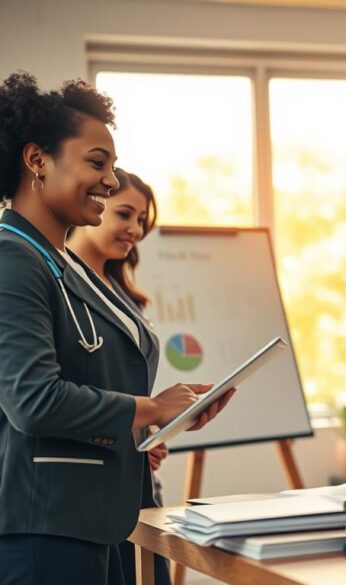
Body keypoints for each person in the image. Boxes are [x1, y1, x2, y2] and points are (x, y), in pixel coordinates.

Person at [0, 72, 233, 585]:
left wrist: (155, 424)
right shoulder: (12, 258)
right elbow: (33, 400)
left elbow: (91, 379)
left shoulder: (65, 264)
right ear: (37, 160)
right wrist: (152, 407)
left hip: (95, 521)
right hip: (46, 528)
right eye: (97, 162)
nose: (110, 180)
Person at [66, 169, 170, 585]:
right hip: (83, 491)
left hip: (137, 481)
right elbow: (58, 394)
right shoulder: (55, 280)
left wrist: (151, 428)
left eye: (142, 220)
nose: (135, 229)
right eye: (125, 214)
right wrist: (134, 423)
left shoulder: (120, 291)